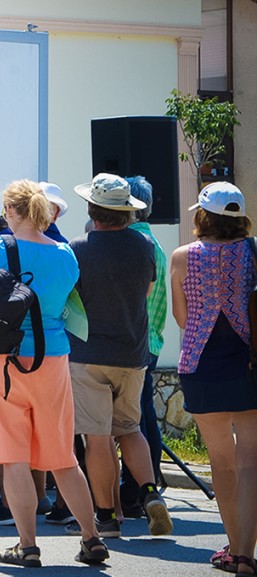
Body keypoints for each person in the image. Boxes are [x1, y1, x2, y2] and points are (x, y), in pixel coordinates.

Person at [0, 179, 106, 568]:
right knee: (63, 457)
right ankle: (91, 537)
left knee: (13, 457)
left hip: (1, 360)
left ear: (10, 210)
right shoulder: (65, 254)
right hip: (52, 358)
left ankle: (27, 545)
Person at [67, 173, 168, 538]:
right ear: (127, 211)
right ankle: (150, 492)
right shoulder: (144, 247)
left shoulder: (79, 249)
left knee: (96, 438)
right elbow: (148, 290)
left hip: (89, 353)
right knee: (130, 429)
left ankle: (107, 517)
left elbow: (70, 298)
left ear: (92, 210)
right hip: (133, 353)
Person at [169, 182, 257, 577]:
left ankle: (234, 549)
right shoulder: (253, 252)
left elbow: (182, 319)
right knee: (250, 463)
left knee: (222, 463)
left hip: (201, 365)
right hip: (248, 364)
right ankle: (247, 556)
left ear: (203, 215)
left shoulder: (182, 257)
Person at [120, 174, 170, 512]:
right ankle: (146, 487)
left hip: (131, 342)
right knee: (144, 417)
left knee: (129, 422)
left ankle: (135, 490)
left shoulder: (133, 244)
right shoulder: (155, 243)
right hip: (150, 341)